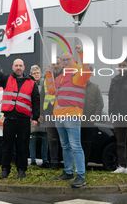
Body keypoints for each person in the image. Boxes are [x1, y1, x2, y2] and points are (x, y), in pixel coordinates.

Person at [0, 49, 40, 179]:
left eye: (20, 65)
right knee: (7, 146)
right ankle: (5, 170)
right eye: (16, 65)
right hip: (9, 119)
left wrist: (35, 117)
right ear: (12, 67)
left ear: (24, 67)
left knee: (23, 146)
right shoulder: (6, 79)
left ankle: (21, 170)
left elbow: (36, 101)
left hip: (24, 120)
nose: (18, 67)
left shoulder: (32, 83)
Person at [46, 46, 91, 188]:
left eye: (68, 59)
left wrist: (81, 53)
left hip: (71, 115)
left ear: (73, 60)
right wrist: (49, 72)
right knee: (65, 145)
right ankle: (68, 171)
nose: (65, 62)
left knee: (75, 145)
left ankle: (81, 176)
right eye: (63, 60)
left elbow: (88, 69)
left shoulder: (78, 72)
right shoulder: (60, 76)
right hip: (59, 116)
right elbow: (51, 90)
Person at [41, 57, 62, 170]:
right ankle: (54, 162)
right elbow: (42, 96)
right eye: (54, 64)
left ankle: (65, 162)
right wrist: (41, 113)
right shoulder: (46, 79)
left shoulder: (65, 77)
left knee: (63, 139)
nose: (56, 66)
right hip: (49, 112)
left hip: (62, 113)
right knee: (52, 139)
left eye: (58, 63)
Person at [29, 65, 49, 168]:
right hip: (33, 115)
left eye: (37, 73)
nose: (36, 75)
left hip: (44, 115)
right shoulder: (29, 84)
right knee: (33, 138)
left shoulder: (46, 83)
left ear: (40, 74)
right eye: (34, 73)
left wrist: (43, 114)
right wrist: (34, 116)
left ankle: (45, 160)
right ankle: (32, 160)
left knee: (45, 139)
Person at [81, 80, 104, 167]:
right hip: (77, 119)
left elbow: (100, 104)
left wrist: (94, 116)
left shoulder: (95, 87)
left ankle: (84, 164)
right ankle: (76, 164)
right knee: (76, 143)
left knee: (87, 143)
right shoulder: (76, 85)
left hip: (88, 121)